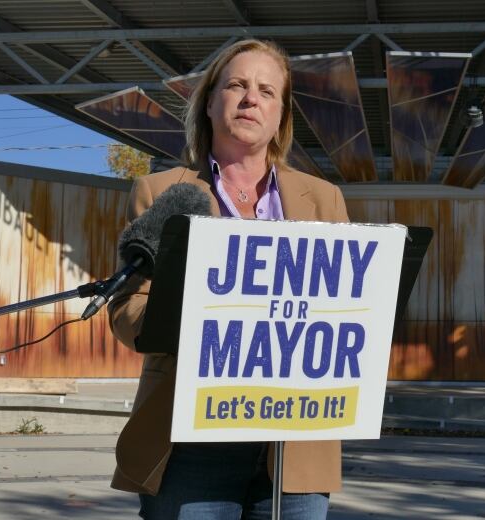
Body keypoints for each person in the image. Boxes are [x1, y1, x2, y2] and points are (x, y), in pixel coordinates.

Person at [107, 39, 349, 519]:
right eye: (236, 85)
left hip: (295, 444)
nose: (250, 98)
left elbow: (346, 308)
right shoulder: (160, 191)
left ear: (280, 113)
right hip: (189, 442)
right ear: (210, 102)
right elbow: (127, 309)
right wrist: (194, 318)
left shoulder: (325, 200)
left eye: (266, 90)